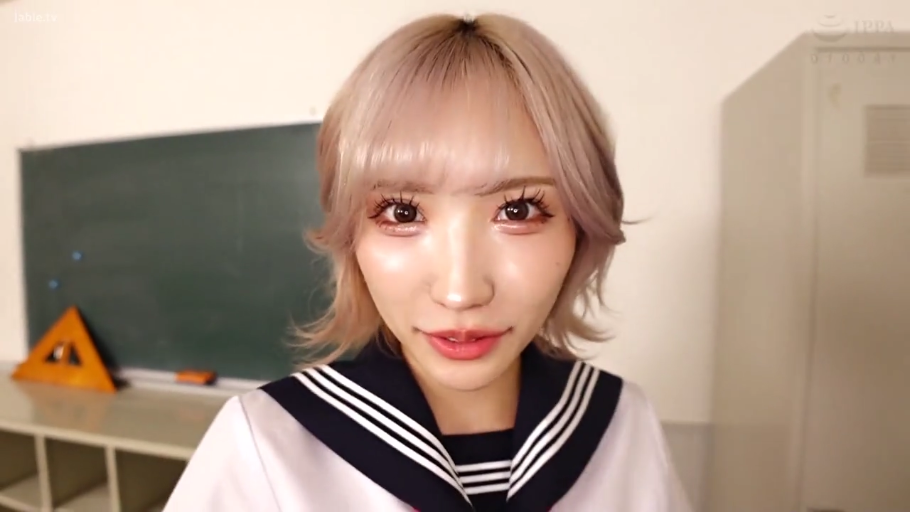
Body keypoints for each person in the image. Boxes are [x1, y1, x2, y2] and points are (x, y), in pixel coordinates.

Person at [164, 12, 692, 512]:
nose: (460, 292)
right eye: (402, 212)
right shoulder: (266, 445)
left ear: (580, 226)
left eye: (518, 210)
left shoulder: (623, 425)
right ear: (351, 235)